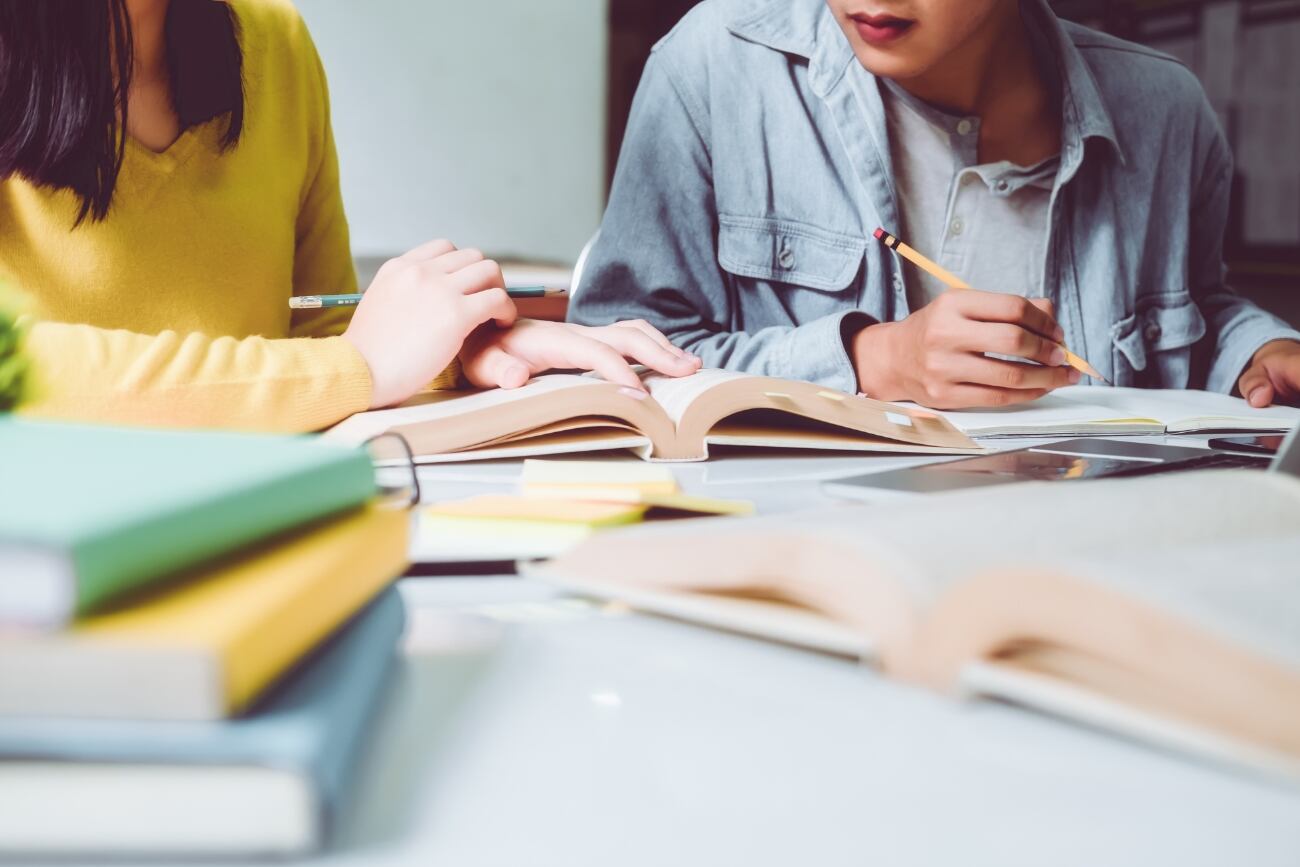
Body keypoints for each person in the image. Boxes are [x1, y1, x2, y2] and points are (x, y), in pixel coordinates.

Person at [0, 0, 700, 433]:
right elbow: (18, 374)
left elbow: (325, 339)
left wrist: (457, 355)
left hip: (256, 536)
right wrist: (356, 366)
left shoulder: (274, 43)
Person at [570, 0, 1300, 409]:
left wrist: (1253, 353)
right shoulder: (712, 68)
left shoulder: (1165, 110)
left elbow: (1197, 309)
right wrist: (871, 361)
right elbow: (604, 362)